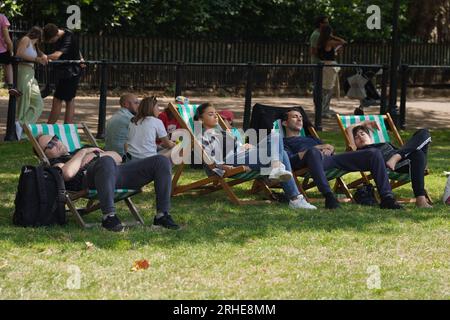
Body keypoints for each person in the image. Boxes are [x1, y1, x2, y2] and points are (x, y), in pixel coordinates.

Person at [35, 134, 179, 231]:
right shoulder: (56, 164)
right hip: (92, 181)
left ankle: (162, 215)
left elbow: (117, 157)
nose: (56, 144)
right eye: (50, 145)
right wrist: (84, 154)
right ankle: (109, 217)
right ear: (44, 154)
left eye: (55, 139)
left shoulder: (81, 148)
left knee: (161, 161)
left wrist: (95, 155)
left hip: (118, 173)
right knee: (105, 161)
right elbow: (67, 174)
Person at [195, 103, 317, 210]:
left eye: (216, 113)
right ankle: (294, 197)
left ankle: (277, 168)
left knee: (275, 135)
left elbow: (238, 147)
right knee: (282, 153)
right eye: (211, 114)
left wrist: (245, 146)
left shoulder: (223, 132)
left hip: (242, 155)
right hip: (230, 162)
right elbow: (210, 161)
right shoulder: (202, 137)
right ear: (201, 119)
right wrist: (226, 168)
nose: (216, 116)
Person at [281, 108, 403, 210]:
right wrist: (316, 148)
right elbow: (290, 161)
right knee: (313, 151)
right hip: (308, 163)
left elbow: (328, 148)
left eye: (301, 117)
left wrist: (330, 148)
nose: (299, 119)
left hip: (331, 160)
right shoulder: (284, 142)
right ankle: (329, 196)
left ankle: (387, 197)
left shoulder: (311, 139)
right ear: (285, 123)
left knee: (374, 153)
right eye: (295, 117)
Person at [345, 121, 432, 208]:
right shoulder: (359, 151)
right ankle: (420, 199)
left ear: (370, 137)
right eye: (356, 137)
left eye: (362, 134)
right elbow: (349, 129)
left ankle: (397, 156)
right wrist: (364, 123)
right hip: (396, 166)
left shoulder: (383, 143)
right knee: (418, 154)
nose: (360, 137)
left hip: (405, 158)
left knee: (424, 132)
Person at [43, 23, 85, 124]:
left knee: (60, 100)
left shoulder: (67, 37)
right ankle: (66, 126)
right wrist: (81, 58)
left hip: (71, 72)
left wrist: (43, 57)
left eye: (52, 40)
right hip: (67, 71)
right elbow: (76, 47)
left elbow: (57, 55)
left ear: (56, 35)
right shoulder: (66, 33)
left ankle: (50, 127)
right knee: (68, 99)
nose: (52, 43)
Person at [15, 27, 47, 135]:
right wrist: (37, 59)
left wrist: (44, 57)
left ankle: (21, 124)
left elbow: (41, 55)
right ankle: (19, 131)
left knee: (38, 103)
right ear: (39, 36)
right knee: (24, 101)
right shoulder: (26, 39)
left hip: (31, 73)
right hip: (23, 71)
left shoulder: (35, 46)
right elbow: (19, 54)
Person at [126, 96, 176, 161]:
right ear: (152, 109)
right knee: (176, 149)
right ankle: (163, 169)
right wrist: (174, 145)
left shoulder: (133, 121)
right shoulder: (156, 121)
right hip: (149, 160)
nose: (159, 110)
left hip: (131, 158)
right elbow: (168, 144)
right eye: (157, 107)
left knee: (160, 147)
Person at [316, 25, 346, 118]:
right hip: (329, 66)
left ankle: (324, 109)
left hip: (323, 65)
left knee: (325, 88)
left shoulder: (320, 42)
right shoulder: (329, 42)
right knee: (327, 89)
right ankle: (323, 110)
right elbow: (343, 42)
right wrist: (333, 36)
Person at [310, 15, 329, 112]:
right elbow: (313, 51)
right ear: (320, 24)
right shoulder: (316, 35)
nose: (327, 24)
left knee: (325, 86)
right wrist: (325, 53)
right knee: (318, 86)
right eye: (325, 22)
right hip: (318, 64)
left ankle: (323, 108)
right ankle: (318, 108)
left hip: (324, 63)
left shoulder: (323, 34)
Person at [0, 8, 20, 96]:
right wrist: (11, 51)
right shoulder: (2, 18)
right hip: (2, 50)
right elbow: (7, 39)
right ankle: (11, 86)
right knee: (8, 65)